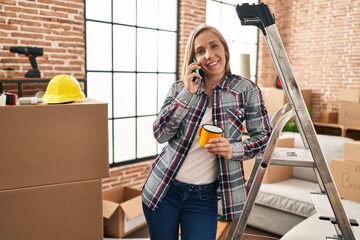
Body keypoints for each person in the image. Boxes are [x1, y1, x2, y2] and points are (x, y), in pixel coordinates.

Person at [142, 23, 272, 240]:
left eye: (214, 46)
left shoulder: (245, 90)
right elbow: (160, 135)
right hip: (164, 189)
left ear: (224, 49)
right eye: (200, 51)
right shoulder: (179, 88)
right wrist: (186, 95)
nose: (209, 55)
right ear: (194, 59)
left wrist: (234, 149)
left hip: (204, 198)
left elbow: (264, 137)